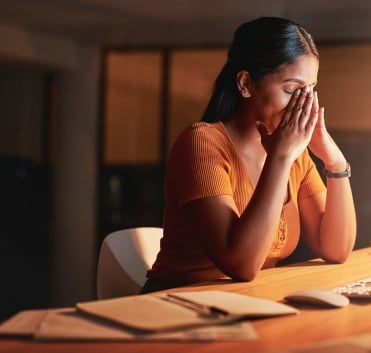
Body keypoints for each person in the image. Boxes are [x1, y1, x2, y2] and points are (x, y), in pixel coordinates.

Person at [142, 16, 356, 293]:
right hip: (179, 306)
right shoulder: (201, 143)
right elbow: (241, 264)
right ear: (245, 84)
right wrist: (280, 157)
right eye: (291, 89)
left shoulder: (296, 157)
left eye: (310, 90)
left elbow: (336, 249)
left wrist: (334, 161)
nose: (304, 104)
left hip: (248, 302)